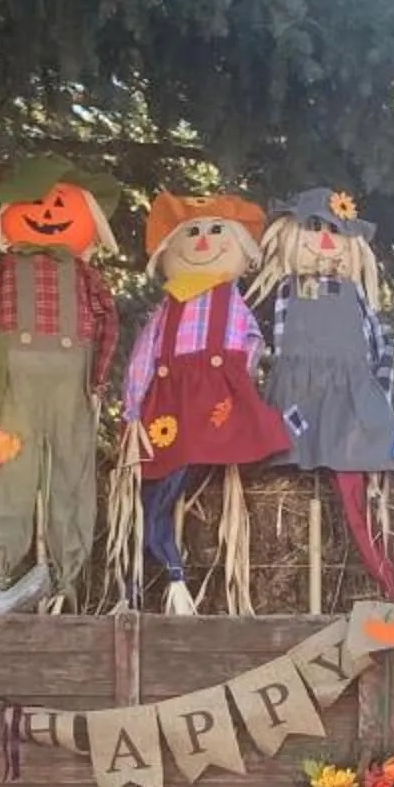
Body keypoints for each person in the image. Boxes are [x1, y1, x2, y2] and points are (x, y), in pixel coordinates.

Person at [0, 161, 121, 602]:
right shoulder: (7, 267)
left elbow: (108, 321)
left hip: (70, 385)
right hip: (23, 386)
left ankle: (66, 578)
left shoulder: (84, 274)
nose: (48, 212)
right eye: (37, 202)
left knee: (70, 467)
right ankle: (0, 569)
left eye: (59, 203)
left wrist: (99, 378)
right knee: (9, 464)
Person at [121, 192, 289, 613]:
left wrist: (239, 380)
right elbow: (145, 355)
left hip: (216, 398)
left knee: (207, 469)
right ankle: (167, 563)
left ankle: (177, 564)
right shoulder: (167, 308)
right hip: (172, 403)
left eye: (216, 231)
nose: (202, 241)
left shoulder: (232, 301)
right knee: (165, 479)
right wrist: (132, 408)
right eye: (191, 232)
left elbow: (252, 342)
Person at [254, 187, 394, 601]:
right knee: (282, 489)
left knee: (353, 488)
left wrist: (378, 393)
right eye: (313, 227)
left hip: (347, 399)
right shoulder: (287, 289)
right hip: (300, 396)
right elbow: (272, 349)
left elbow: (378, 343)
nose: (324, 239)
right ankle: (285, 591)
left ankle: (385, 580)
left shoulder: (355, 293)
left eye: (334, 230)